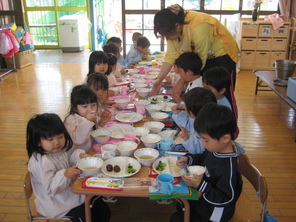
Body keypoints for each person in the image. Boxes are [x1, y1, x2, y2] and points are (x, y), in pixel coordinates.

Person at [26, 113, 110, 222]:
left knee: (101, 206)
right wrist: (65, 175)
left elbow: (70, 155)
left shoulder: (59, 149)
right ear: (37, 141)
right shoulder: (41, 161)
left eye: (60, 137)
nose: (57, 142)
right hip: (57, 204)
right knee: (86, 216)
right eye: (50, 139)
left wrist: (79, 155)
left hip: (70, 192)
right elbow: (50, 188)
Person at [171, 103, 242, 222]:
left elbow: (226, 199)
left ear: (225, 138)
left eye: (206, 140)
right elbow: (203, 156)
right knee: (181, 204)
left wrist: (201, 186)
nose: (203, 144)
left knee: (176, 218)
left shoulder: (228, 168)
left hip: (214, 213)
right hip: (205, 196)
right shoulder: (215, 149)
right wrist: (189, 159)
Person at [151, 4, 239, 96]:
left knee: (221, 92)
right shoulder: (173, 27)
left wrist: (182, 81)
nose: (167, 38)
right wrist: (160, 79)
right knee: (205, 93)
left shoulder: (199, 26)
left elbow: (199, 61)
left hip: (222, 56)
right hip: (202, 58)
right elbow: (171, 55)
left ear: (177, 26)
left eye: (168, 35)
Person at [171, 87, 217, 154]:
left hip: (200, 157)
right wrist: (179, 113)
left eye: (185, 105)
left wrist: (188, 139)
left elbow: (199, 150)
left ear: (191, 113)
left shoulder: (206, 128)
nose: (183, 106)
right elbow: (186, 126)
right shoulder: (198, 117)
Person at [202, 66, 239, 139]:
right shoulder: (209, 98)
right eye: (204, 88)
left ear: (222, 90)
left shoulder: (223, 107)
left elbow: (218, 129)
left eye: (209, 89)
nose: (205, 92)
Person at [64, 85, 99, 153]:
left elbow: (95, 132)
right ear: (74, 108)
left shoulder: (89, 116)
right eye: (85, 106)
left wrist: (101, 123)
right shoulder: (71, 120)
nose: (90, 109)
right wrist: (88, 121)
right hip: (77, 156)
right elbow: (79, 140)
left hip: (90, 151)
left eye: (93, 105)